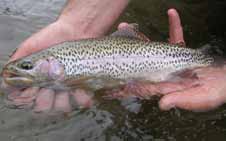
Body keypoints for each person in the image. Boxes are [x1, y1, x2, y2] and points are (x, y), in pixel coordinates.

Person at [3, 0, 226, 113]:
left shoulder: (63, 68)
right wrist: (77, 23)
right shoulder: (61, 59)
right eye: (26, 66)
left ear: (51, 64)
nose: (22, 69)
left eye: (27, 66)